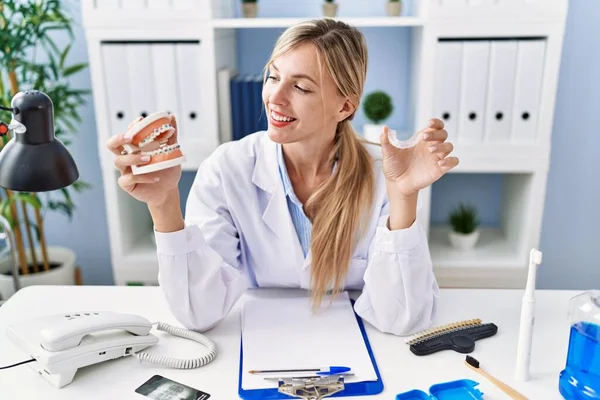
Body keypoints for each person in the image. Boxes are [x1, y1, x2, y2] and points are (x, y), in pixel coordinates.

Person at [106, 18, 458, 336]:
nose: (274, 97)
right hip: (259, 342)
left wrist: (404, 196)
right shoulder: (229, 167)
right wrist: (164, 202)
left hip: (356, 347)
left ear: (345, 107)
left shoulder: (388, 172)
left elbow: (403, 319)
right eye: (273, 76)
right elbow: (199, 313)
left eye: (301, 87)